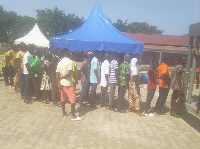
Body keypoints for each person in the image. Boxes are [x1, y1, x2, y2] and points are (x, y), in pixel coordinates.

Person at [56, 48, 82, 120]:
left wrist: (59, 83)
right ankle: (73, 115)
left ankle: (64, 113)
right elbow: (69, 72)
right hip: (69, 84)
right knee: (72, 99)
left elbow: (56, 74)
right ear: (67, 53)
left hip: (61, 84)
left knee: (63, 98)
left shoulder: (59, 62)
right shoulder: (70, 62)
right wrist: (63, 77)